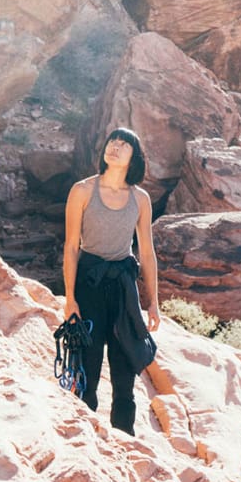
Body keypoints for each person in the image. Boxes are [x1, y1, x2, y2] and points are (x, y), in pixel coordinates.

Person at [62, 127, 161, 435]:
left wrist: (153, 303)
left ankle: (126, 441)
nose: (114, 147)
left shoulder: (140, 199)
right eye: (112, 142)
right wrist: (69, 298)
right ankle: (86, 440)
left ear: (134, 157)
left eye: (124, 144)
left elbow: (147, 251)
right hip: (89, 284)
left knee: (124, 373)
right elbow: (70, 246)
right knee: (87, 370)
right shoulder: (82, 190)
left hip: (123, 288)